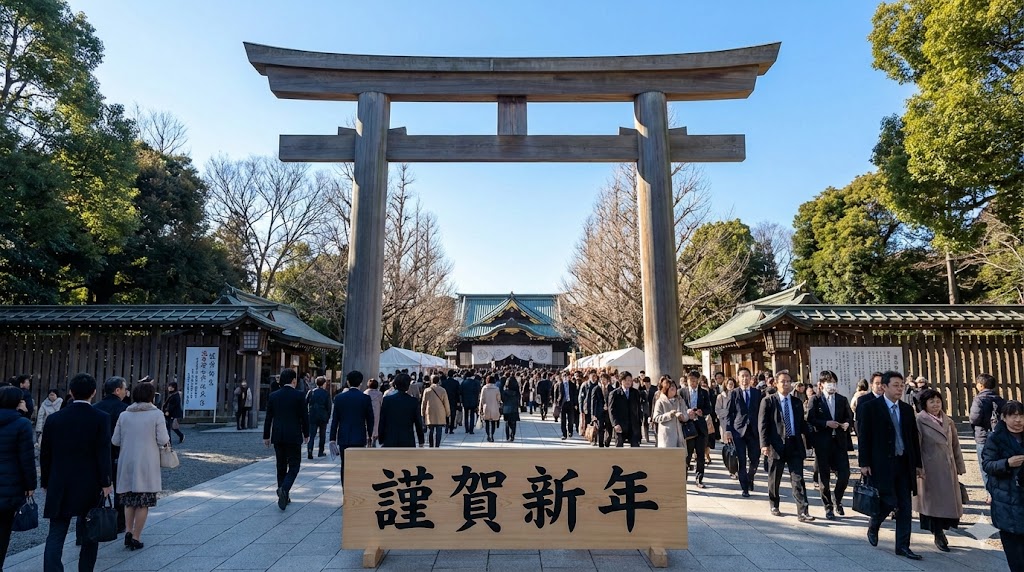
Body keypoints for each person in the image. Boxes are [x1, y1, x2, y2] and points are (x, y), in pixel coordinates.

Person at [40, 372, 113, 572]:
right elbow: (103, 452)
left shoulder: (55, 419)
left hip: (60, 480)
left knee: (56, 531)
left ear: (70, 392)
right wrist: (106, 482)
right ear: (94, 392)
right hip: (90, 481)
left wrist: (45, 481)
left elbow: (45, 454)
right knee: (90, 531)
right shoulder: (101, 418)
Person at [858, 371, 924, 560]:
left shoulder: (906, 409)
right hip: (881, 463)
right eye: (895, 385)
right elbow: (865, 437)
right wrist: (864, 463)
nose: (900, 388)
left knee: (904, 505)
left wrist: (918, 464)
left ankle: (903, 546)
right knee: (888, 501)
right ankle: (875, 523)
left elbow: (912, 439)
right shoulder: (870, 407)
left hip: (904, 462)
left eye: (901, 385)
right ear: (884, 387)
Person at [111, 382, 169, 551]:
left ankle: (128, 531)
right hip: (147, 462)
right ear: (151, 396)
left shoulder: (124, 415)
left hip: (127, 461)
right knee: (143, 502)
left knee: (129, 500)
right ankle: (136, 536)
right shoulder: (156, 414)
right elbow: (163, 439)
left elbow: (115, 440)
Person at [911, 388, 965, 552]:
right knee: (933, 505)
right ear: (924, 404)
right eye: (931, 401)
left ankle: (943, 530)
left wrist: (959, 465)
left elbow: (955, 445)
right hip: (930, 468)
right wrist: (918, 467)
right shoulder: (919, 420)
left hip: (948, 468)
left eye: (938, 401)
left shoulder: (948, 420)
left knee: (947, 502)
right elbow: (916, 446)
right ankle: (938, 533)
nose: (935, 404)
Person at [758, 371, 814, 522]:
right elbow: (762, 425)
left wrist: (810, 442)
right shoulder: (768, 401)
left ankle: (802, 511)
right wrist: (764, 445)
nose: (786, 384)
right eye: (783, 381)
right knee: (775, 477)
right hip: (776, 445)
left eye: (789, 381)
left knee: (798, 478)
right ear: (776, 383)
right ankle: (774, 504)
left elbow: (802, 424)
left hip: (794, 444)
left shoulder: (796, 402)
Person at [982, 399, 1024, 571]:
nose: (1018, 420)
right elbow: (987, 465)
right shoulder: (995, 439)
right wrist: (1007, 463)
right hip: (1006, 500)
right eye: (1013, 416)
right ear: (1004, 418)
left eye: (1021, 416)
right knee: (1015, 554)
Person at [805, 370, 854, 520]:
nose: (832, 386)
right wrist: (825, 423)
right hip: (823, 443)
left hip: (839, 442)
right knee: (824, 477)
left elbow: (850, 417)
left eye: (834, 382)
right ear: (821, 385)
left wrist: (846, 424)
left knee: (844, 474)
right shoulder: (815, 400)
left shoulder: (842, 399)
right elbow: (810, 419)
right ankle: (828, 507)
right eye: (829, 383)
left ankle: (837, 499)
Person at [263, 368, 309, 511]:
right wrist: (306, 433)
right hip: (294, 435)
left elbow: (268, 417)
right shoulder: (299, 396)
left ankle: (284, 494)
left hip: (278, 435)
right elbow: (304, 417)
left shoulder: (273, 396)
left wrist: (266, 435)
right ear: (293, 380)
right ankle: (284, 488)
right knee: (294, 466)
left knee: (281, 465)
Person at [0, 386, 36, 570]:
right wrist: (31, 485)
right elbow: (27, 458)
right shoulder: (21, 424)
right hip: (10, 483)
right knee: (4, 529)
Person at [94, 377, 129, 534]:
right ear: (117, 390)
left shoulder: (95, 407)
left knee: (96, 488)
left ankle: (92, 518)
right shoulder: (124, 409)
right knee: (120, 489)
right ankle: (119, 523)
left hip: (97, 454)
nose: (126, 391)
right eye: (124, 388)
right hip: (118, 453)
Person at [329, 371, 374, 486]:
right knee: (357, 465)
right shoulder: (365, 398)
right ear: (361, 383)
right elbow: (370, 419)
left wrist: (332, 438)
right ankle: (355, 488)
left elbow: (335, 420)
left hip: (344, 436)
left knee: (345, 465)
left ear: (348, 382)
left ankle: (345, 491)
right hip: (359, 436)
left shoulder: (339, 398)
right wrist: (370, 434)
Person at [725, 367, 763, 497]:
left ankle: (750, 476)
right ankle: (744, 487)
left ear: (751, 378)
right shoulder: (734, 393)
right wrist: (728, 430)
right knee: (741, 459)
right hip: (738, 430)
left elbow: (761, 413)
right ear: (738, 378)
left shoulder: (757, 393)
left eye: (747, 376)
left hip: (754, 431)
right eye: (742, 376)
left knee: (755, 459)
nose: (745, 379)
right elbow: (729, 413)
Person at [970, 373, 1005, 489]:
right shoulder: (1000, 400)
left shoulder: (979, 400)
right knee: (999, 463)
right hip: (999, 436)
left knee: (985, 465)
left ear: (980, 385)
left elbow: (974, 418)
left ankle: (989, 492)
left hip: (983, 436)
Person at [680, 371, 712, 489]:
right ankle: (684, 478)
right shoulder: (681, 392)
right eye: (691, 381)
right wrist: (687, 412)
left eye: (695, 381)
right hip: (688, 426)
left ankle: (699, 478)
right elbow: (679, 407)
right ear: (687, 381)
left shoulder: (704, 392)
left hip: (700, 426)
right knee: (687, 455)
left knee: (700, 454)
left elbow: (709, 408)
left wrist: (701, 412)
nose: (693, 383)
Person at [378, 373, 425, 448]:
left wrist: (381, 438)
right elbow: (418, 422)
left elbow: (382, 420)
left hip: (390, 438)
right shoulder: (413, 401)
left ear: (395, 385)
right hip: (407, 439)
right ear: (408, 386)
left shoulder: (387, 400)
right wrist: (421, 440)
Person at [608, 372, 643, 448]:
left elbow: (638, 408)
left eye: (630, 380)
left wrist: (640, 420)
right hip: (620, 425)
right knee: (619, 447)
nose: (628, 382)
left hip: (633, 425)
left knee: (635, 447)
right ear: (621, 381)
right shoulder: (614, 394)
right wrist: (615, 424)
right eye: (626, 380)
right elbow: (611, 410)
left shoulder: (635, 393)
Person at [652, 379, 688, 449]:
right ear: (665, 389)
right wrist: (669, 415)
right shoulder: (660, 401)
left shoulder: (680, 400)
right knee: (667, 457)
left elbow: (686, 414)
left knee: (679, 457)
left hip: (679, 434)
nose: (673, 388)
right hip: (666, 435)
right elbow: (656, 417)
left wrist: (683, 417)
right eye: (670, 386)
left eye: (674, 386)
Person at [306, 377, 332, 459]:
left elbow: (305, 403)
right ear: (323, 384)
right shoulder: (326, 393)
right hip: (323, 416)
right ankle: (321, 451)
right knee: (322, 434)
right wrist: (328, 416)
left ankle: (310, 450)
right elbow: (329, 406)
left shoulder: (311, 392)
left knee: (312, 434)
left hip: (312, 415)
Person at [421, 375, 451, 448]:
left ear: (431, 381)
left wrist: (422, 412)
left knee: (430, 430)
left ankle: (431, 445)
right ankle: (437, 446)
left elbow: (423, 403)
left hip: (430, 412)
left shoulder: (427, 390)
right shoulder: (443, 390)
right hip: (440, 412)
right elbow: (446, 403)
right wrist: (448, 413)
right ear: (439, 381)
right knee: (439, 430)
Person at [856, 372, 886, 436]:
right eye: (877, 383)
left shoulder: (889, 400)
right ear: (871, 385)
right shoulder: (863, 400)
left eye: (882, 383)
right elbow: (860, 422)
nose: (880, 386)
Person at [554, 373, 579, 440]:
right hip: (563, 403)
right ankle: (564, 434)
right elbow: (556, 393)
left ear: (569, 377)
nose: (565, 378)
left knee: (571, 419)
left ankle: (570, 431)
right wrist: (556, 401)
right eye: (564, 376)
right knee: (563, 420)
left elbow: (575, 395)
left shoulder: (572, 385)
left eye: (566, 376)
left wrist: (575, 403)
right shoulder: (560, 385)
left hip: (570, 403)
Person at [479, 375, 502, 443]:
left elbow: (481, 399)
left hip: (486, 407)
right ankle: (492, 435)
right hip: (494, 407)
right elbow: (499, 399)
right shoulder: (496, 389)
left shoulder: (484, 388)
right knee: (493, 423)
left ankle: (488, 435)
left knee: (487, 422)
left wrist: (480, 408)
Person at [363, 379, 383, 447]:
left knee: (367, 424)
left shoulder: (365, 393)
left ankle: (368, 439)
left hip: (367, 412)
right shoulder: (380, 394)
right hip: (377, 412)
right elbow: (382, 403)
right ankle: (374, 439)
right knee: (375, 425)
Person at [501, 375, 521, 442]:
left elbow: (503, 399)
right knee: (514, 423)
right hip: (514, 408)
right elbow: (518, 399)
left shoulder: (505, 392)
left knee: (507, 422)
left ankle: (507, 435)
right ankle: (512, 434)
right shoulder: (516, 392)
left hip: (506, 408)